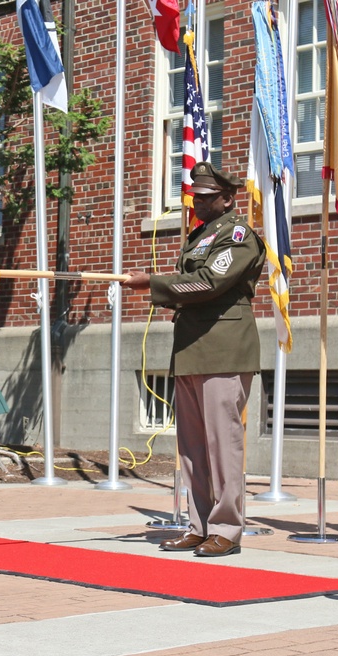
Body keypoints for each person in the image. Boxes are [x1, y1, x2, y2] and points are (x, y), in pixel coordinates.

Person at [122, 162, 265, 557]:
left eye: (206, 198)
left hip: (224, 348)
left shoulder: (238, 235)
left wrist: (151, 283)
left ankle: (226, 528)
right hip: (190, 349)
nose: (198, 204)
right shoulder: (200, 235)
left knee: (223, 446)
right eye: (195, 198)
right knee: (192, 448)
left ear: (226, 199)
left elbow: (208, 282)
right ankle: (199, 524)